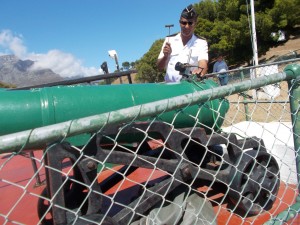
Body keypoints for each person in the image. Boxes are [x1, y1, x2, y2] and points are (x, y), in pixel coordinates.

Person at [157, 4, 208, 83]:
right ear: (179, 22)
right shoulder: (169, 39)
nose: (186, 26)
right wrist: (165, 56)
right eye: (183, 23)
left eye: (190, 23)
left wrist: (199, 71)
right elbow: (159, 67)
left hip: (189, 86)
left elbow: (203, 63)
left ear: (195, 24)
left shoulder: (201, 42)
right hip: (169, 86)